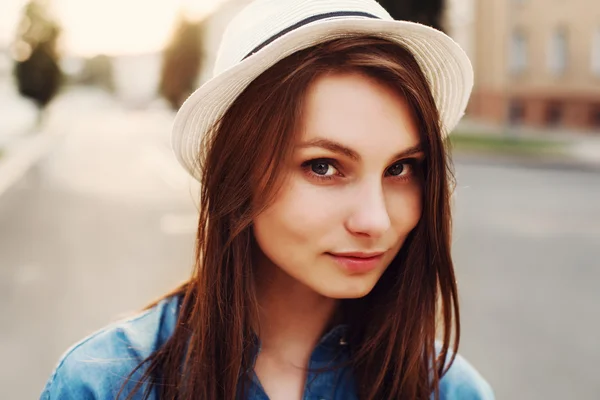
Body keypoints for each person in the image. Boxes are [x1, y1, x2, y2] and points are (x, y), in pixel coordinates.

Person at [41, 0, 494, 399]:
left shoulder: (451, 391)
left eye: (399, 168)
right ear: (238, 175)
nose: (375, 221)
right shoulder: (104, 385)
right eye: (323, 166)